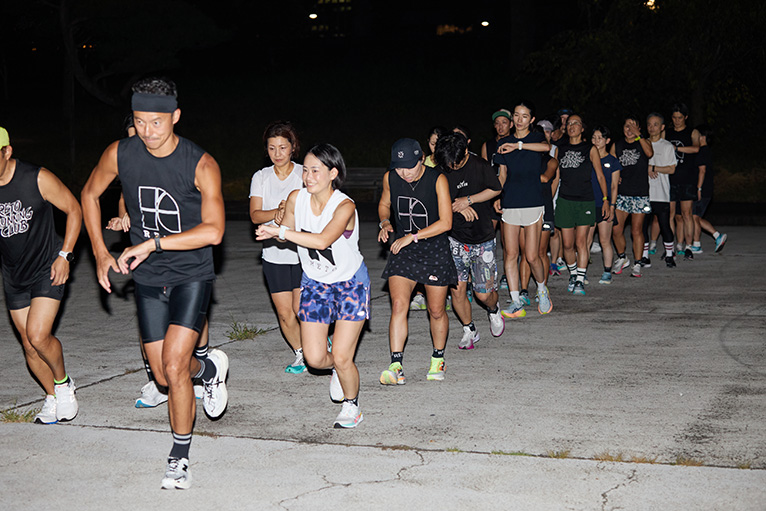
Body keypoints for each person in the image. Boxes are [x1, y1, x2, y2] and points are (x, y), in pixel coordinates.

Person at [81, 78, 228, 490]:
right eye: (141, 122)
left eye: (157, 122)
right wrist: (99, 253)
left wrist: (153, 243)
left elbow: (215, 231)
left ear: (175, 117)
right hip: (147, 277)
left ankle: (179, 457)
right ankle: (211, 369)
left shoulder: (201, 163)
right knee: (164, 377)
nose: (148, 132)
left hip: (190, 274)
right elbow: (90, 194)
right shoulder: (121, 152)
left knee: (175, 365)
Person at [256, 143, 369, 429]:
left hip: (349, 283)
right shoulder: (297, 198)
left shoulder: (345, 206)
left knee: (343, 355)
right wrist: (278, 224)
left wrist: (280, 230)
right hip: (315, 284)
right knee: (315, 358)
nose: (308, 176)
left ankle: (351, 405)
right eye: (305, 170)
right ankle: (338, 370)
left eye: (315, 170)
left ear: (333, 173)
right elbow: (288, 236)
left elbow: (321, 241)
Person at [106, 115, 207, 409]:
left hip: (185, 260)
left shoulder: (182, 163)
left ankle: (201, 366)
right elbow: (127, 198)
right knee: (150, 328)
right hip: (147, 264)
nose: (142, 141)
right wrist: (122, 217)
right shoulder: (129, 161)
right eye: (134, 135)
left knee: (190, 319)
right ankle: (159, 379)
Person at [0, 126, 81, 425]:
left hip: (47, 267)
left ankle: (63, 384)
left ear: (7, 152)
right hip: (13, 274)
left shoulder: (37, 177)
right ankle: (50, 396)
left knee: (38, 334)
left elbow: (74, 209)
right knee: (28, 343)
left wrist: (65, 255)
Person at [377, 138, 455, 383]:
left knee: (435, 310)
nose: (404, 172)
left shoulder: (437, 179)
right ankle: (396, 364)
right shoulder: (391, 178)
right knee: (399, 305)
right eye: (400, 167)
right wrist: (385, 222)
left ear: (421, 158)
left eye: (410, 166)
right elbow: (384, 204)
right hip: (404, 250)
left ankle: (437, 358)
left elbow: (446, 222)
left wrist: (414, 236)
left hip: (433, 250)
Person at [434, 132, 504, 350]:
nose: (452, 167)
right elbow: (434, 205)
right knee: (457, 290)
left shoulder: (479, 165)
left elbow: (496, 189)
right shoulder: (440, 171)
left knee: (483, 294)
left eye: (457, 162)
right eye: (448, 164)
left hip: (482, 237)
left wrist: (469, 200)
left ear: (465, 151)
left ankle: (494, 309)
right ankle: (469, 329)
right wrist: (457, 208)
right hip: (454, 239)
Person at [249, 121, 305, 373]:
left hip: (304, 252)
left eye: (283, 147)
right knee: (285, 314)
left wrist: (291, 213)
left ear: (293, 147)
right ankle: (302, 354)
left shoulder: (306, 173)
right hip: (274, 255)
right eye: (272, 148)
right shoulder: (261, 177)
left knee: (300, 309)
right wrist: (279, 211)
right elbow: (255, 215)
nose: (278, 153)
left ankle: (316, 342)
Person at [494, 101, 554, 317]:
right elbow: (502, 175)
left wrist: (518, 146)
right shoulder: (504, 142)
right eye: (517, 116)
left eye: (524, 116)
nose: (519, 120)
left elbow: (546, 148)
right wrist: (497, 196)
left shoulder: (536, 137)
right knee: (510, 254)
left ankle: (541, 289)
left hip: (533, 201)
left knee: (532, 256)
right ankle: (516, 301)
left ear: (532, 120)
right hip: (511, 201)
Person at [555, 115, 611, 295]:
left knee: (581, 242)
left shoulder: (590, 148)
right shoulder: (560, 149)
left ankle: (580, 279)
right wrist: (549, 200)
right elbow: (556, 177)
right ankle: (573, 274)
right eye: (569, 123)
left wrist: (605, 200)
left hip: (585, 200)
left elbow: (600, 176)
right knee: (567, 244)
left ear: (582, 128)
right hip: (565, 200)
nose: (571, 126)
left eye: (575, 123)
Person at [611, 116, 654, 278]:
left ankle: (637, 263)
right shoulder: (617, 145)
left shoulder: (643, 143)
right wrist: (615, 175)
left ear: (639, 129)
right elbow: (610, 163)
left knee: (637, 230)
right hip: (622, 194)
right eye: (626, 125)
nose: (629, 129)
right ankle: (622, 257)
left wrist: (639, 136)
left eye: (633, 126)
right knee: (616, 229)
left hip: (640, 194)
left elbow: (649, 153)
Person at [665, 103, 700, 259]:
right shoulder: (667, 132)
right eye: (674, 117)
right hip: (670, 178)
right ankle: (670, 248)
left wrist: (676, 149)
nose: (677, 120)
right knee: (670, 214)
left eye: (680, 117)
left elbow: (696, 148)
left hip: (687, 178)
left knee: (687, 214)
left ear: (685, 117)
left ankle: (689, 247)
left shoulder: (692, 132)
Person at [642, 113, 678, 268]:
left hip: (661, 194)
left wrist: (653, 168)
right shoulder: (642, 144)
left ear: (662, 127)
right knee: (642, 226)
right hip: (644, 194)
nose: (652, 127)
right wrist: (645, 169)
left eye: (656, 124)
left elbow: (672, 169)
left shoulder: (667, 146)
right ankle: (644, 256)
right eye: (649, 124)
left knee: (664, 224)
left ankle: (670, 255)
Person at [589, 125, 621, 284]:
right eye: (593, 138)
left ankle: (607, 271)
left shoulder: (612, 161)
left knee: (604, 240)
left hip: (605, 204)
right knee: (585, 241)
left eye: (599, 138)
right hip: (588, 203)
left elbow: (615, 185)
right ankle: (582, 274)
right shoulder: (587, 158)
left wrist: (612, 206)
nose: (596, 141)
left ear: (607, 141)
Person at [692, 124, 727, 252]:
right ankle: (697, 244)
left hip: (703, 189)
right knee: (695, 216)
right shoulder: (704, 150)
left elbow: (702, 171)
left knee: (694, 217)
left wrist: (698, 188)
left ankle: (716, 236)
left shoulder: (703, 151)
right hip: (706, 188)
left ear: (702, 137)